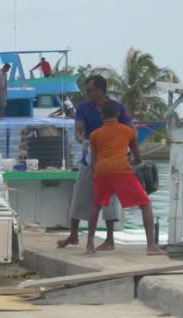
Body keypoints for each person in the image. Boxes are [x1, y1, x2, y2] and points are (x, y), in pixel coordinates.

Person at [56, 75, 129, 250]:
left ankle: (109, 239)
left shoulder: (117, 107)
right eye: (87, 90)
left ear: (101, 90)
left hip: (110, 158)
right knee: (80, 193)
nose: (88, 93)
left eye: (91, 90)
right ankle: (74, 234)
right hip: (89, 155)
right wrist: (84, 142)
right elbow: (79, 131)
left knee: (109, 198)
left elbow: (129, 128)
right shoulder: (83, 107)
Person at [86, 101, 165, 256]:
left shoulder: (94, 135)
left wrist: (96, 174)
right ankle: (151, 246)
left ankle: (89, 244)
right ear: (118, 115)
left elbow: (94, 162)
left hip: (101, 171)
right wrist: (130, 162)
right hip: (120, 170)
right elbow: (138, 158)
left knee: (96, 205)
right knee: (145, 204)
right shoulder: (128, 131)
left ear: (102, 116)